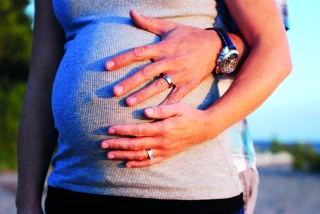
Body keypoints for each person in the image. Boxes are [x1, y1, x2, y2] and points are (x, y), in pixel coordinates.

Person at [16, 0, 292, 214]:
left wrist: (207, 125)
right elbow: (41, 80)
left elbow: (274, 52)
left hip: (190, 192)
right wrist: (26, 201)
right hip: (73, 190)